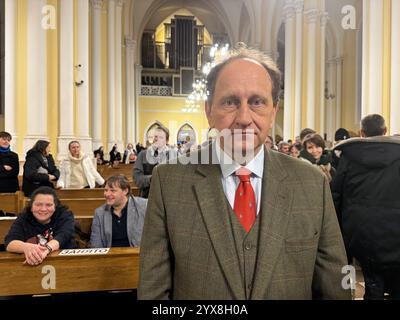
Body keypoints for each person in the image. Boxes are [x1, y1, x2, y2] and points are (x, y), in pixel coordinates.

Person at [138, 43, 350, 300]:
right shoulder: (169, 181)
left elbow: (334, 288)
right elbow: (154, 294)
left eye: (257, 102)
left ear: (273, 112)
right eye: (230, 102)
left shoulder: (311, 183)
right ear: (209, 111)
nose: (244, 117)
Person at [332, 114, 400, 300]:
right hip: (396, 232)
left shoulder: (349, 157)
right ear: (385, 131)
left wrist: (339, 232)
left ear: (362, 133)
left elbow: (336, 195)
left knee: (373, 282)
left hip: (361, 233)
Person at [4, 186, 75, 265]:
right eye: (38, 204)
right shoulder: (24, 217)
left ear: (55, 207)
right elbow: (10, 243)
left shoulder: (64, 215)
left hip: (64, 263)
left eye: (49, 205)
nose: (43, 209)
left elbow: (64, 235)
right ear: (31, 207)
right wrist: (26, 247)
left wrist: (47, 248)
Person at [90, 175, 147, 248]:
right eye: (106, 190)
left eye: (112, 190)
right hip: (110, 257)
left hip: (137, 256)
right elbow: (96, 245)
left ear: (125, 191)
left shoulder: (143, 206)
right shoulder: (99, 213)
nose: (107, 194)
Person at [133, 126, 175, 198]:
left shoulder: (175, 156)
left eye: (161, 137)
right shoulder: (143, 155)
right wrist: (152, 178)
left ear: (167, 140)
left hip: (168, 198)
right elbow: (137, 179)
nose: (157, 139)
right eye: (155, 136)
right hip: (147, 198)